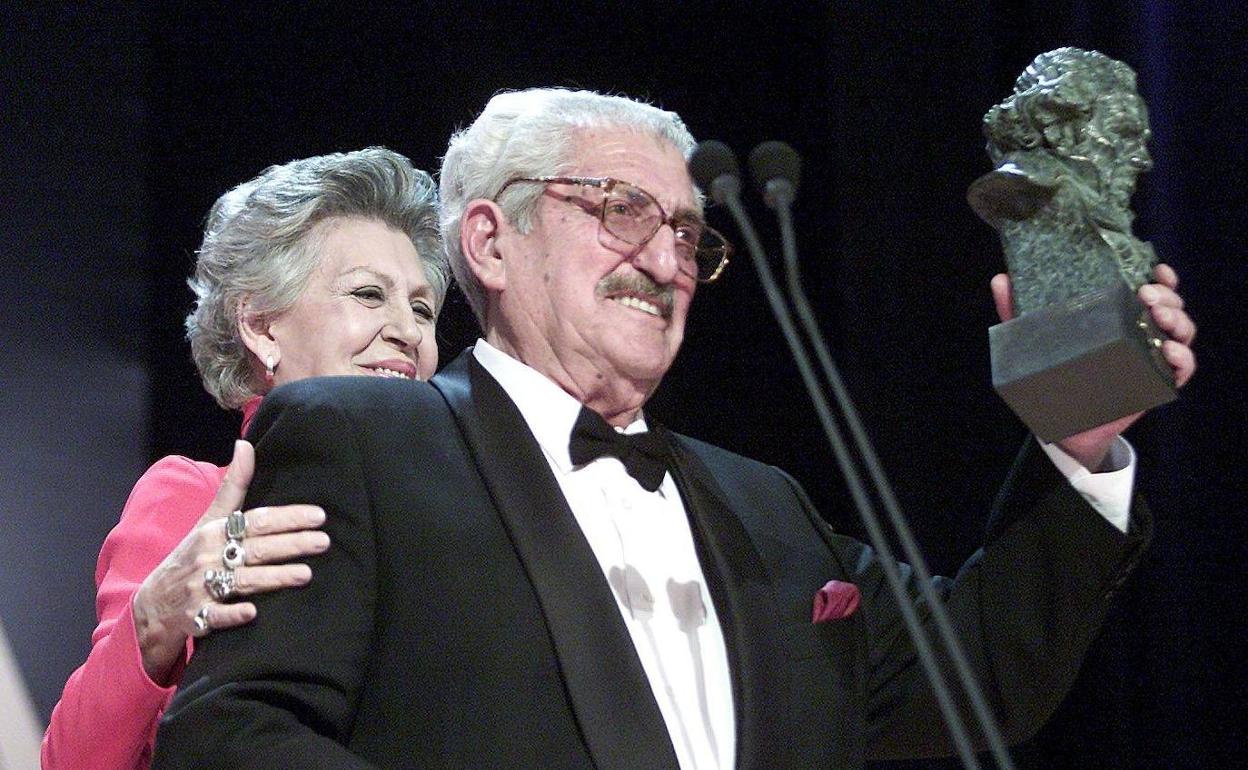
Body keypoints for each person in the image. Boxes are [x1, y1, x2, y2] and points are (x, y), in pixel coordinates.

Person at [153, 89, 1196, 769]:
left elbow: (981, 672)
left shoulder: (768, 508)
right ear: (491, 240)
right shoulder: (362, 438)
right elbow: (231, 731)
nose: (665, 260)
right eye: (618, 209)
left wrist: (1080, 443)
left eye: (689, 233)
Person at [42, 147, 447, 770]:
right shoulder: (190, 497)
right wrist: (155, 620)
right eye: (369, 294)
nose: (409, 331)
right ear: (261, 328)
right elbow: (74, 761)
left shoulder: (456, 508)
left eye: (423, 308)